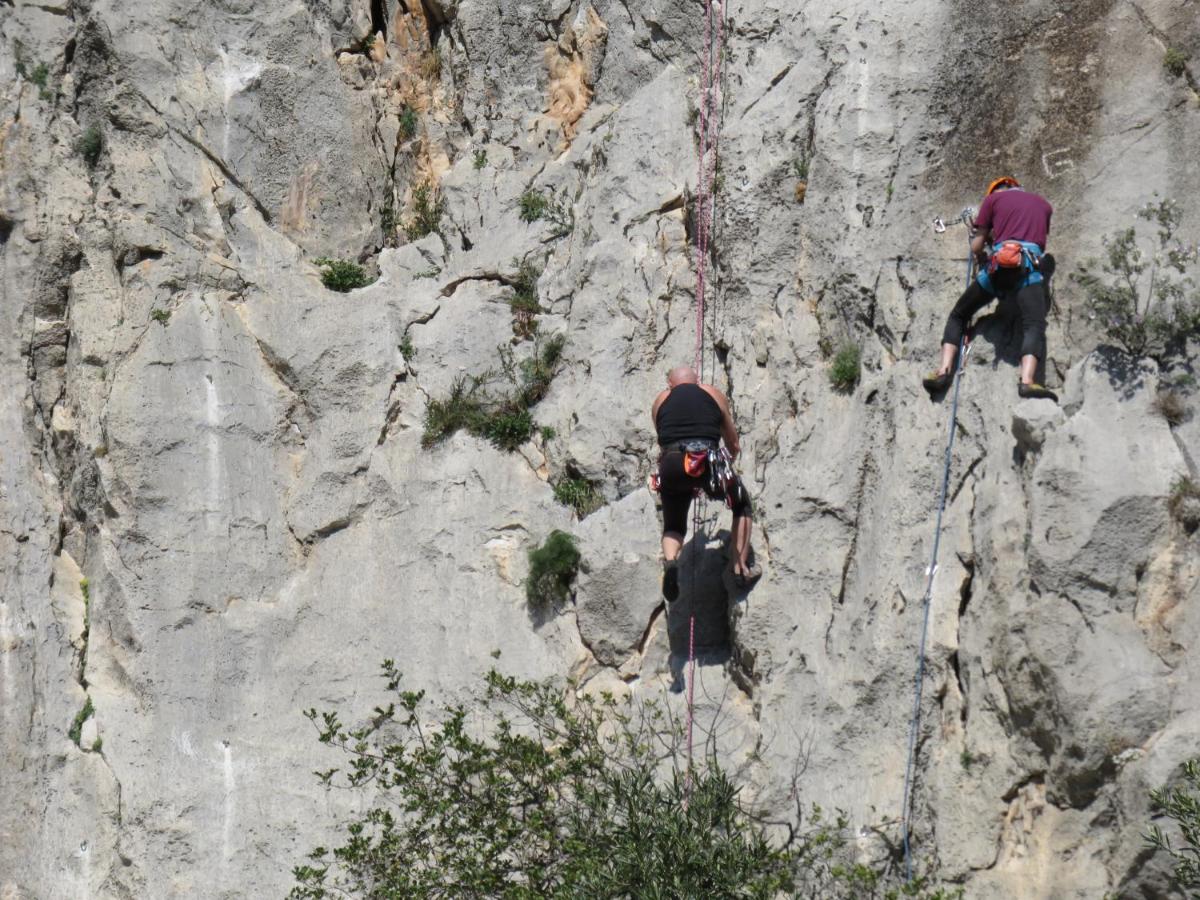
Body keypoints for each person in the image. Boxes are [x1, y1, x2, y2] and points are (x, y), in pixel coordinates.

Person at [923, 176, 1058, 402]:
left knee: (958, 314)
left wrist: (980, 253)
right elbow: (1035, 240)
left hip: (997, 271)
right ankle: (1027, 382)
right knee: (1033, 324)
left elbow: (977, 244)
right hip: (1028, 271)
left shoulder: (993, 200)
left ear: (995, 191)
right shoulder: (1044, 206)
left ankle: (943, 371)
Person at [651, 365, 756, 601]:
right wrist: (728, 465)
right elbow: (733, 442)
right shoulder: (710, 392)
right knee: (741, 504)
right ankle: (740, 568)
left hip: (671, 464)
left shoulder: (661, 400)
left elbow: (662, 436)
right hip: (707, 461)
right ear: (696, 381)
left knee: (673, 526)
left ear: (670, 385)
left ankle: (670, 562)